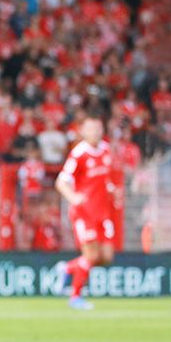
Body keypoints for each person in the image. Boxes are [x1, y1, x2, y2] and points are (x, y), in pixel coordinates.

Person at [54, 113, 116, 310]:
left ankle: (68, 268)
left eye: (98, 129)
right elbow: (61, 182)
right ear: (82, 131)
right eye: (91, 129)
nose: (95, 132)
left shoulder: (106, 149)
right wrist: (73, 197)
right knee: (91, 255)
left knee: (106, 257)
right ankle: (75, 297)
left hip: (103, 212)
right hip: (84, 213)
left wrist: (111, 188)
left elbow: (104, 177)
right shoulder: (79, 153)